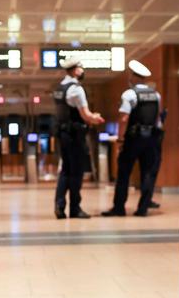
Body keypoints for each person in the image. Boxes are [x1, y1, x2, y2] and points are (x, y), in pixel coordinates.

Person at [102, 59, 161, 217]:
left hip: (133, 139)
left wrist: (120, 139)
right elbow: (157, 119)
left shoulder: (130, 94)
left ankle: (119, 208)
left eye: (130, 75)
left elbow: (123, 119)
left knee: (124, 173)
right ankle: (143, 209)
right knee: (147, 172)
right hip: (151, 140)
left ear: (134, 77)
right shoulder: (156, 95)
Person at [53, 58, 104, 219]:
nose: (83, 71)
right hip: (75, 135)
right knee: (76, 172)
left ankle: (60, 206)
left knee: (65, 171)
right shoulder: (76, 89)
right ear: (75, 70)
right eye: (81, 68)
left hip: (63, 134)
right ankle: (75, 208)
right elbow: (85, 115)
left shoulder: (59, 88)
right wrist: (96, 118)